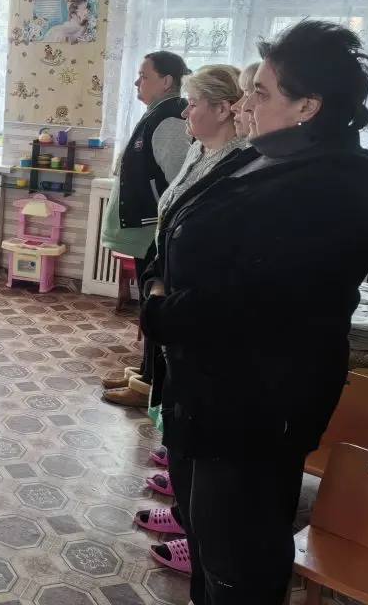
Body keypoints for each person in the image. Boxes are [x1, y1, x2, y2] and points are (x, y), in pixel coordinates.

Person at [141, 20, 368, 604]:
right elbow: (180, 222)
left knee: (238, 558)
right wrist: (158, 279)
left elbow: (254, 302)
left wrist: (162, 312)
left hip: (256, 407)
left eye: (262, 93)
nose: (246, 105)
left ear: (308, 107)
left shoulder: (337, 185)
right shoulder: (263, 156)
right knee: (206, 537)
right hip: (205, 392)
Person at [130, 65, 249, 574]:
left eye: (195, 103)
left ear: (224, 109)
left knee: (190, 411)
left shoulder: (240, 165)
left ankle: (193, 530)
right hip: (170, 290)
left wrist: (162, 288)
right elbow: (173, 213)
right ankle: (182, 498)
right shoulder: (200, 151)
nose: (186, 112)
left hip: (188, 304)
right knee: (172, 400)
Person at [100, 51, 192, 406]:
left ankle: (149, 386)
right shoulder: (158, 113)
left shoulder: (169, 120)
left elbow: (178, 182)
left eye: (144, 76)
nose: (137, 82)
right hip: (148, 231)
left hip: (156, 231)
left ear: (166, 81)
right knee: (147, 304)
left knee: (154, 306)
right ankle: (145, 373)